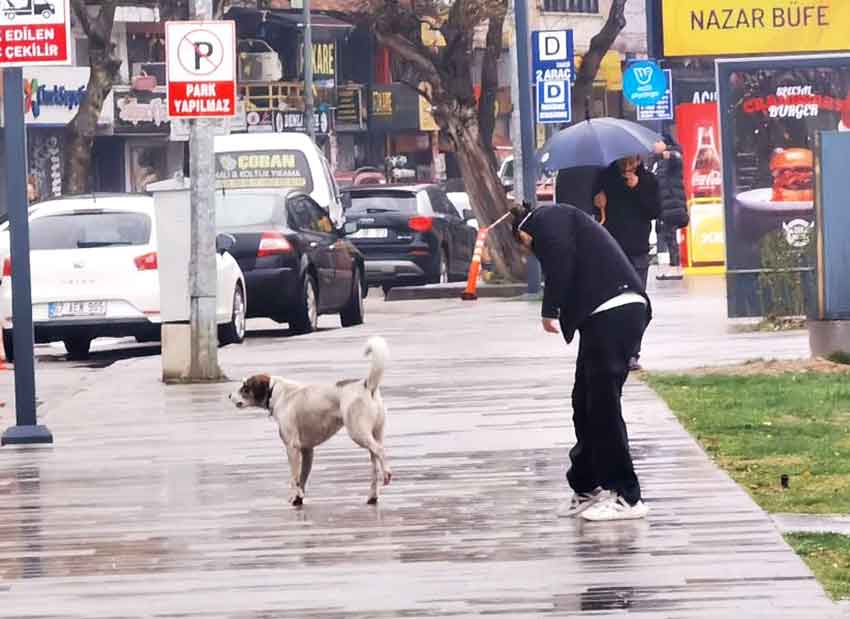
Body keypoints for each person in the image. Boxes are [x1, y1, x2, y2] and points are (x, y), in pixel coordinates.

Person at [511, 203, 651, 522]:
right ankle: (587, 486)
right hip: (602, 315)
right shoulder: (558, 220)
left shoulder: (546, 219)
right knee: (585, 402)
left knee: (602, 405)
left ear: (522, 233)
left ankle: (628, 495)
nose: (534, 253)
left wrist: (551, 309)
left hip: (616, 309)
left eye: (527, 247)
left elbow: (560, 257)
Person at [593, 155, 661, 370]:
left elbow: (654, 211)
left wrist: (638, 188)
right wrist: (598, 203)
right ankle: (613, 349)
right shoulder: (605, 178)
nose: (629, 165)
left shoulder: (649, 180)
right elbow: (596, 211)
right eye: (625, 161)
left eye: (633, 161)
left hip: (638, 249)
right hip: (611, 249)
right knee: (613, 301)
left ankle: (632, 352)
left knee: (637, 304)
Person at [651, 136, 689, 281]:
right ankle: (673, 266)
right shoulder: (657, 161)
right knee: (667, 235)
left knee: (670, 235)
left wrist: (667, 154)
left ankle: (675, 267)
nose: (654, 145)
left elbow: (676, 158)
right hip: (664, 205)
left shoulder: (672, 155)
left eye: (657, 142)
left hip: (673, 203)